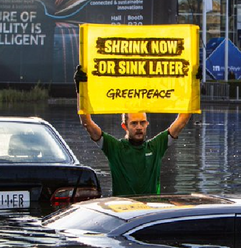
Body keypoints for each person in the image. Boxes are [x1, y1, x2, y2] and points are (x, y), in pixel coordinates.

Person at [74, 65, 195, 196]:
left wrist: (193, 85)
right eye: (134, 123)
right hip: (124, 211)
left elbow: (183, 119)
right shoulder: (115, 148)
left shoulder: (156, 147)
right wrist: (81, 88)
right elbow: (87, 123)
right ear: (124, 126)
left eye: (142, 123)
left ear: (147, 124)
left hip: (150, 211)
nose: (139, 127)